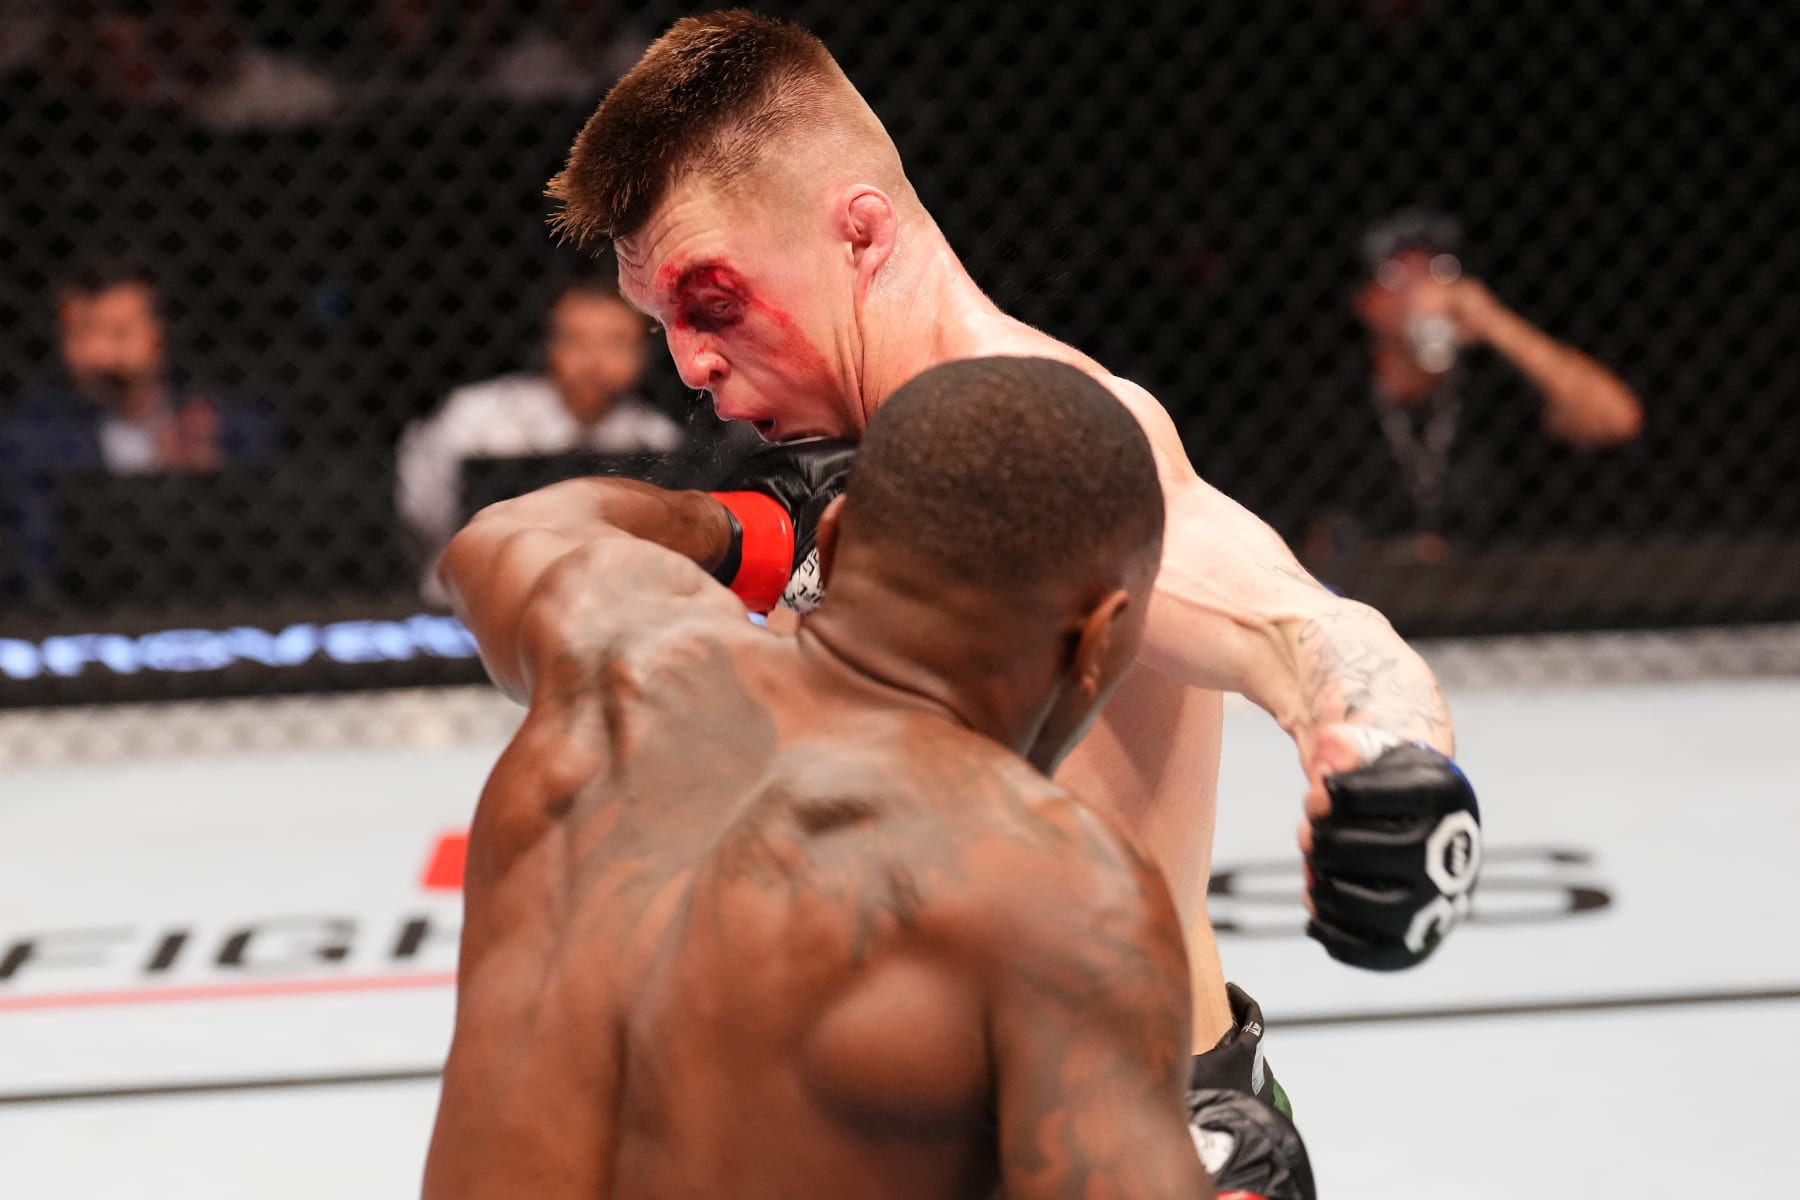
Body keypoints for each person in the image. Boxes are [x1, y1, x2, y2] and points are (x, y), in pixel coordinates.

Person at [532, 9, 1478, 1177]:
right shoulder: (846, 467)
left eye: (713, 302)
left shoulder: (1044, 445)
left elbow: (1302, 628)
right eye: (664, 321)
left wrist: (1390, 766)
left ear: (860, 232)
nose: (689, 363)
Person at [426, 357, 1214, 1199]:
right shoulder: (1048, 888)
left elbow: (496, 536)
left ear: (830, 544)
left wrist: (731, 527)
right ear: (1097, 641)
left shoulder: (616, 651)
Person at [1303, 209, 1645, 565]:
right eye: (1397, 274)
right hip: (1366, 605)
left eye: (1439, 271)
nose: (1421, 289)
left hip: (1507, 599)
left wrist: (1493, 321)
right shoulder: (1329, 403)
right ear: (1365, 301)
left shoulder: (1494, 389)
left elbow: (1618, 419)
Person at [394, 271, 685, 601]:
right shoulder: (478, 418)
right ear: (549, 345)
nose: (594, 361)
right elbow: (422, 511)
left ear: (642, 354)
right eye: (576, 340)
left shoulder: (656, 437)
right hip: (474, 595)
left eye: (615, 342)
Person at [0, 254, 273, 598]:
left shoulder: (223, 424)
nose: (99, 353)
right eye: (82, 333)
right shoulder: (30, 439)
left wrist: (207, 480)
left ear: (159, 333)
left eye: (120, 333)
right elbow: (33, 558)